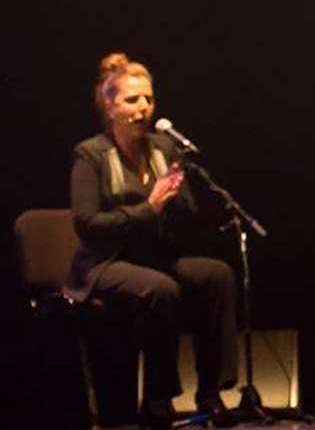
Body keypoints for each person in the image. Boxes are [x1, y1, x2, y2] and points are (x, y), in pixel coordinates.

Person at [65, 53, 238, 427]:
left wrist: (183, 198)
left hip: (154, 257)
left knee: (216, 275)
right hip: (105, 263)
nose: (143, 107)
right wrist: (150, 207)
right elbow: (88, 225)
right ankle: (159, 399)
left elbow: (187, 216)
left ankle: (211, 392)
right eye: (132, 100)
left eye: (148, 99)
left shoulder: (163, 148)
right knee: (160, 290)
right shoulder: (91, 154)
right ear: (110, 107)